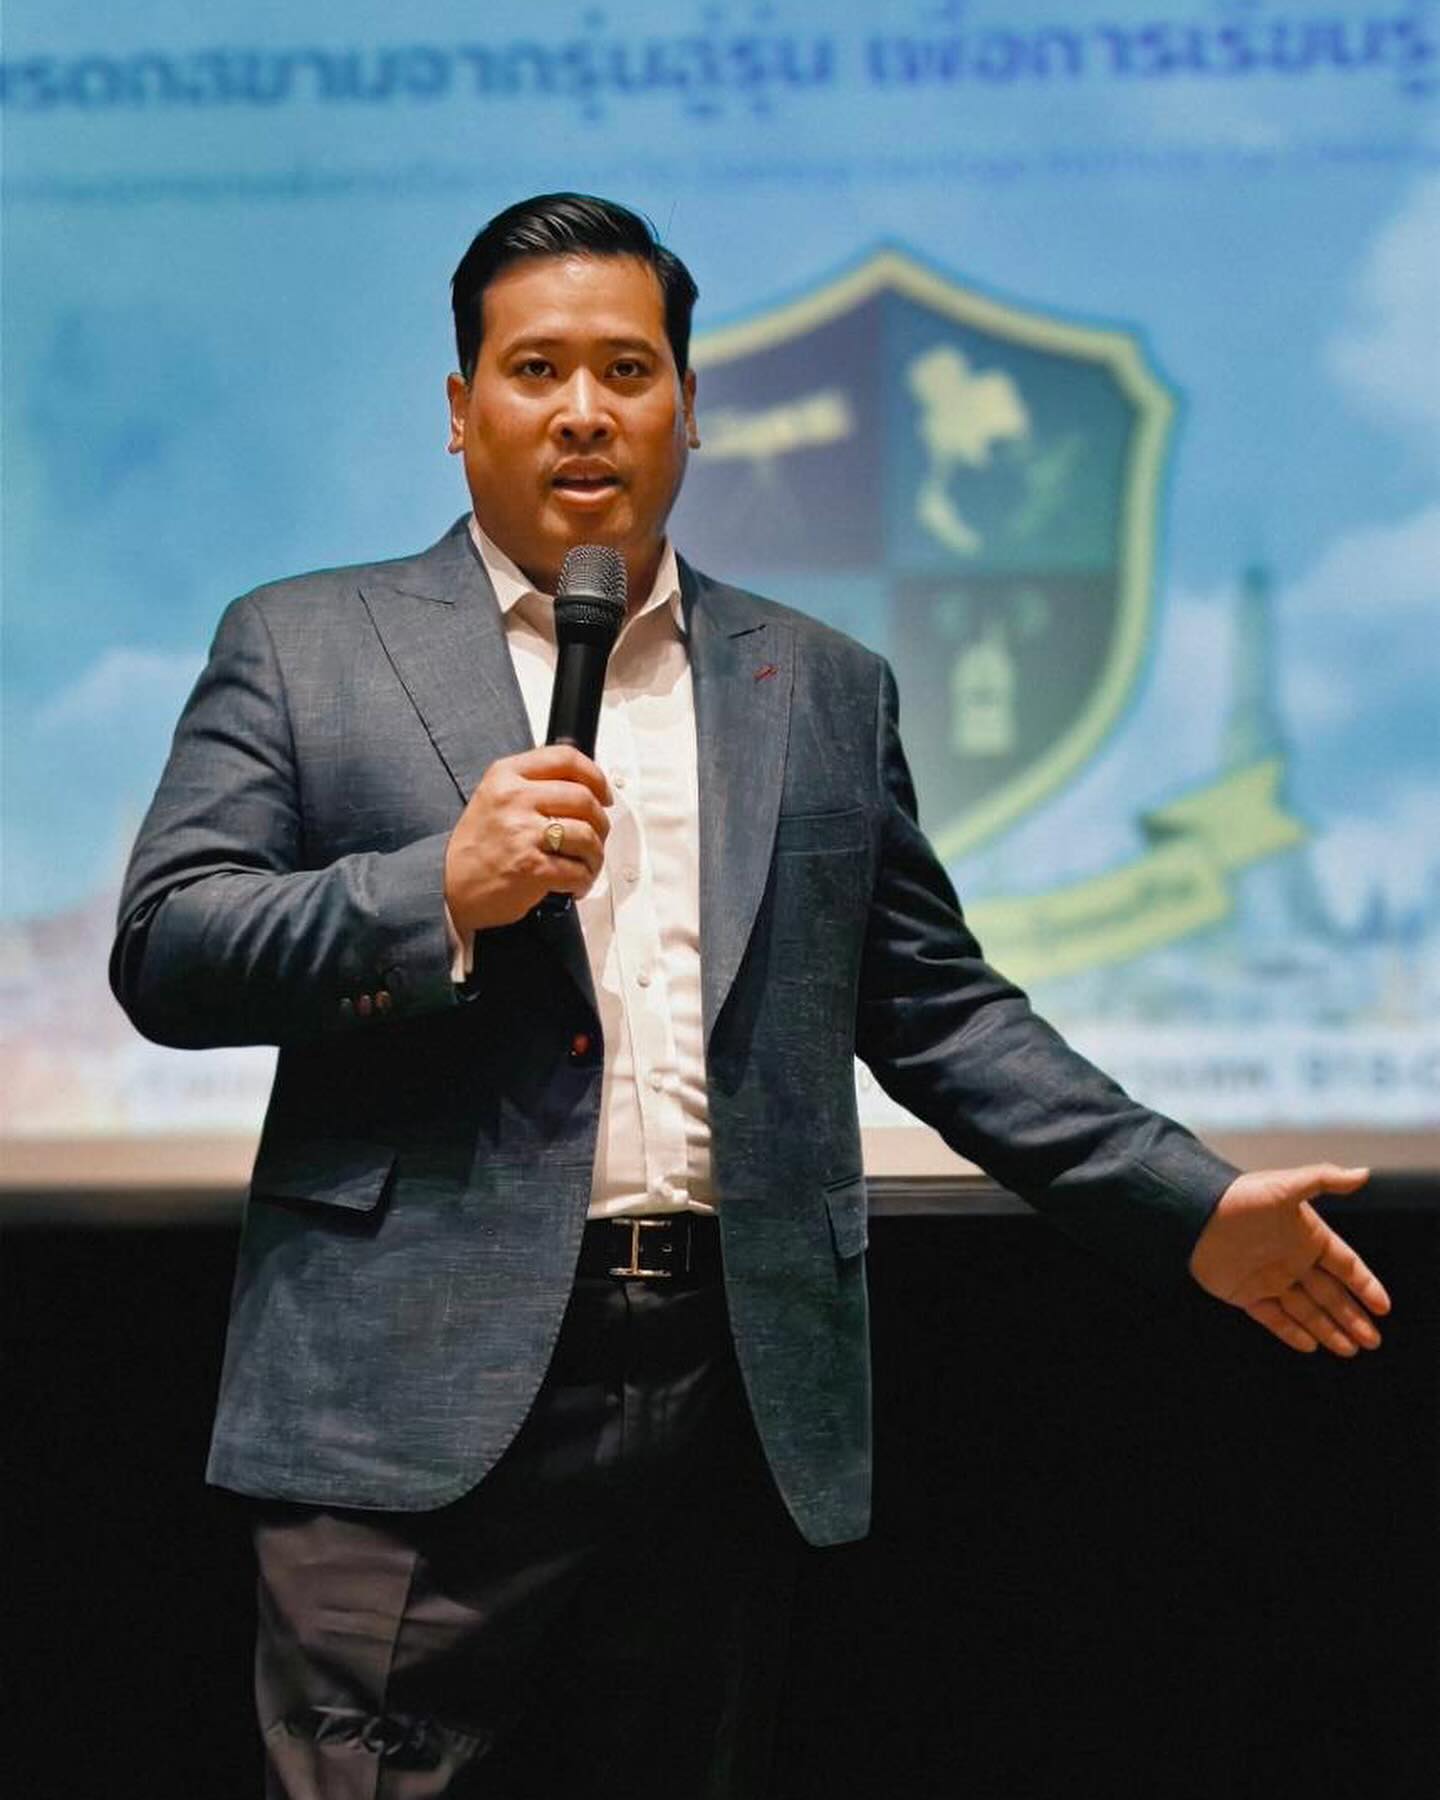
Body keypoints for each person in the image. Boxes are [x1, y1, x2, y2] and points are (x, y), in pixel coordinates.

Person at [111, 193, 1390, 1798]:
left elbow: (938, 1009)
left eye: (628, 369)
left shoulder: (818, 682)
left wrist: (1181, 1201)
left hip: (725, 1398)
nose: (585, 410)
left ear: (691, 406)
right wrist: (434, 888)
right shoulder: (307, 645)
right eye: (536, 370)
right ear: (458, 409)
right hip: (402, 1403)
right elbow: (169, 942)